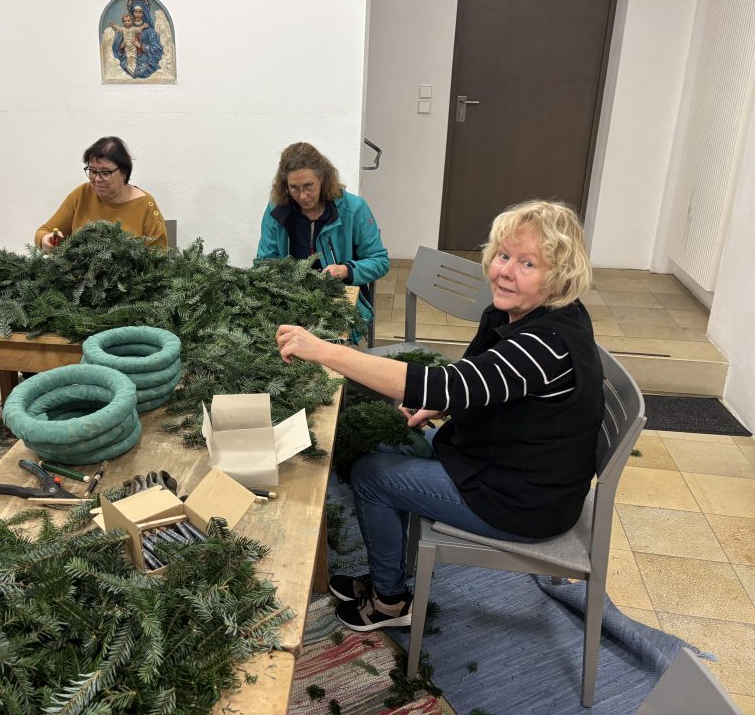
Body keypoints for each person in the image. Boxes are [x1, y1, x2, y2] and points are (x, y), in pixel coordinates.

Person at [276, 199, 603, 632]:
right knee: (384, 441)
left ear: (559, 275)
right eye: (503, 255)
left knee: (372, 476)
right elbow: (476, 383)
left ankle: (389, 602)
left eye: (528, 263)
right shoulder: (520, 313)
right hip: (502, 461)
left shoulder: (543, 344)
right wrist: (444, 403)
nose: (505, 271)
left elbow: (439, 382)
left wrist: (323, 350)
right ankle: (389, 572)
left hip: (523, 501)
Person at [255, 142, 389, 330]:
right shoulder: (276, 210)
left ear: (323, 178)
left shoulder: (353, 209)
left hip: (338, 301)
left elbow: (380, 261)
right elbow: (264, 263)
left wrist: (346, 270)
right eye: (294, 188)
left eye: (308, 186)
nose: (303, 196)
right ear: (285, 185)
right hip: (290, 301)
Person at [35, 136, 167, 252]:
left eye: (105, 173)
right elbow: (44, 231)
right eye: (92, 171)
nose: (97, 179)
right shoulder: (81, 194)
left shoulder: (146, 205)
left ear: (124, 172)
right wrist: (45, 240)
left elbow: (160, 256)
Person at [113, 0, 164, 79]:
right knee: (125, 66)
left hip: (144, 59)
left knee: (141, 71)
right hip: (128, 57)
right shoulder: (125, 29)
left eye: (140, 12)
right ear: (132, 12)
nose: (137, 15)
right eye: (135, 12)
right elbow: (116, 49)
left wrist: (141, 46)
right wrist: (121, 47)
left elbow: (157, 49)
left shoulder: (149, 30)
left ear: (144, 13)